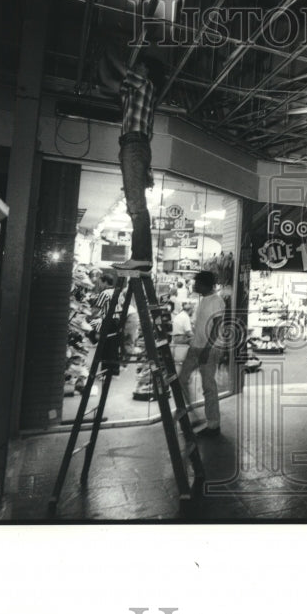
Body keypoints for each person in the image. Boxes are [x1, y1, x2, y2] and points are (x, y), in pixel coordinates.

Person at [102, 49, 167, 272]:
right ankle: (141, 256)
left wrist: (107, 51)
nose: (137, 67)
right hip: (132, 146)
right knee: (134, 205)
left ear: (147, 72)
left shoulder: (146, 85)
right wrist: (100, 59)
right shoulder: (133, 92)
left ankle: (141, 257)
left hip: (134, 145)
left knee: (136, 206)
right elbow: (109, 83)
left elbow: (122, 70)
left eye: (140, 65)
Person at [177, 271, 226, 437]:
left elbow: (218, 326)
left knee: (208, 387)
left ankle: (213, 425)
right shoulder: (203, 299)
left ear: (205, 284)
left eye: (197, 283)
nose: (194, 285)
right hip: (195, 347)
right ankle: (193, 415)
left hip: (209, 350)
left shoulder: (216, 301)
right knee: (181, 380)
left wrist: (207, 349)